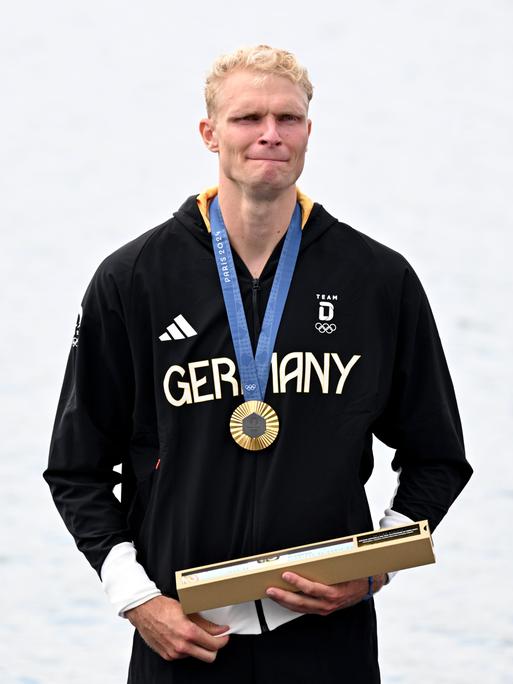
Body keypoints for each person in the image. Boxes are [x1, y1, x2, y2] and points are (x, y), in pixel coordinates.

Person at [44, 45, 472, 683]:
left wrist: (377, 565)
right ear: (209, 132)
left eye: (288, 119)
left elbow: (438, 458)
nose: (270, 134)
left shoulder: (377, 279)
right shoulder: (134, 278)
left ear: (308, 132)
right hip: (184, 638)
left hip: (329, 637)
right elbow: (76, 467)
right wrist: (137, 601)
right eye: (248, 119)